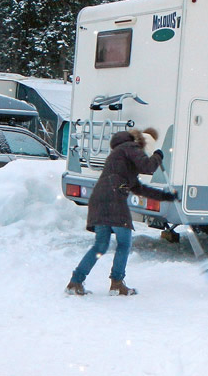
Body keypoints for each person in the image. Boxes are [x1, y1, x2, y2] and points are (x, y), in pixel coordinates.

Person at [65, 127, 176, 296]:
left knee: (100, 245)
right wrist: (158, 156)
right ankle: (117, 283)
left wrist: (165, 196)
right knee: (124, 243)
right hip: (113, 200)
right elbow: (148, 167)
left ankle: (75, 282)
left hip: (100, 200)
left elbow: (140, 188)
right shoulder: (130, 147)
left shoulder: (121, 155)